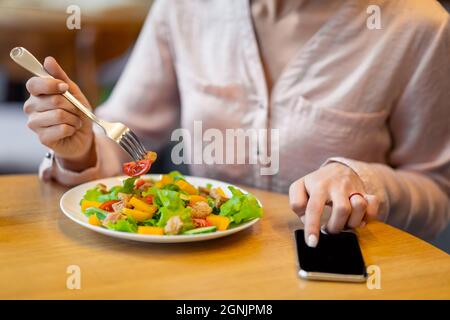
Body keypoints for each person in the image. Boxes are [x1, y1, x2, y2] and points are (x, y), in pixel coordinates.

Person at [22, 0, 450, 247]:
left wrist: (364, 179)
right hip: (199, 273)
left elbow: (437, 190)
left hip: (338, 273)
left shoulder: (417, 25)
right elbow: (125, 131)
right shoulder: (185, 7)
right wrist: (82, 149)